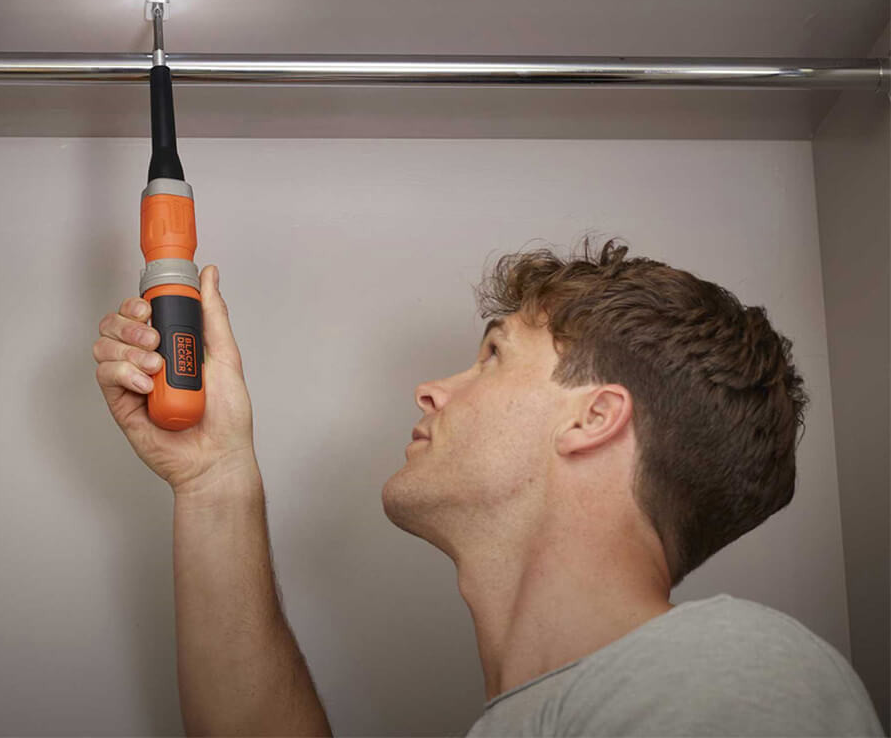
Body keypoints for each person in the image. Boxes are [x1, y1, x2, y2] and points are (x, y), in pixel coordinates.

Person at [93, 239, 885, 737]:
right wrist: (215, 478)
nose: (432, 390)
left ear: (594, 418)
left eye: (494, 355)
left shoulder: (730, 673)